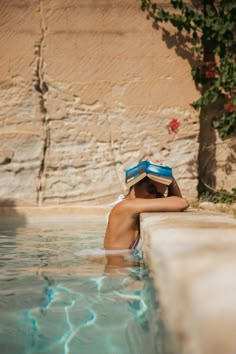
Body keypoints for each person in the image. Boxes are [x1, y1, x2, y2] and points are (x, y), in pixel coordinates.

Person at [104, 167, 189, 251]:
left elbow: (177, 204)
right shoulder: (126, 207)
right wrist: (171, 180)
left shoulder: (128, 206)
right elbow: (181, 203)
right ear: (136, 183)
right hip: (119, 264)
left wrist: (169, 178)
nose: (153, 197)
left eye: (159, 195)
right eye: (151, 189)